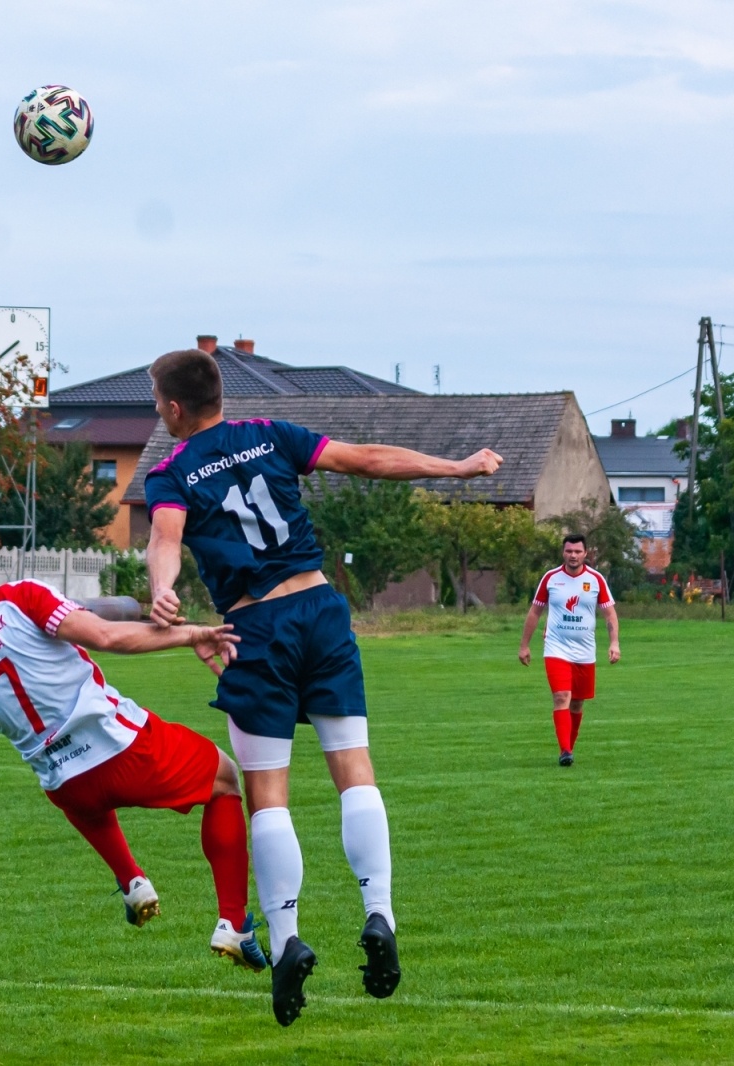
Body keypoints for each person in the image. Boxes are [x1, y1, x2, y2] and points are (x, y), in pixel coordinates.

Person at [142, 347, 503, 1025]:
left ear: (170, 407)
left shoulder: (171, 472)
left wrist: (162, 590)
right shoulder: (270, 434)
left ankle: (285, 944)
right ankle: (379, 913)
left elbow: (165, 538)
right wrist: (457, 467)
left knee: (267, 794)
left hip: (256, 629)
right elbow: (367, 458)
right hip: (322, 611)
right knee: (354, 772)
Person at [0, 533, 269, 978]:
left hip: (66, 785)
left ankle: (132, 882)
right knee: (224, 779)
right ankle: (233, 922)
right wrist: (191, 634)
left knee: (86, 798)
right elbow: (106, 636)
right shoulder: (22, 596)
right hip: (120, 748)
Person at [517, 534, 621, 766]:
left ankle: (569, 746)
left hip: (585, 652)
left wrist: (614, 642)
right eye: (569, 551)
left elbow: (609, 613)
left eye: (577, 551)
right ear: (563, 553)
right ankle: (565, 751)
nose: (573, 555)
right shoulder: (551, 578)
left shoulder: (595, 580)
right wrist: (524, 645)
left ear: (585, 554)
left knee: (577, 702)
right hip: (556, 648)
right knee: (562, 696)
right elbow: (535, 611)